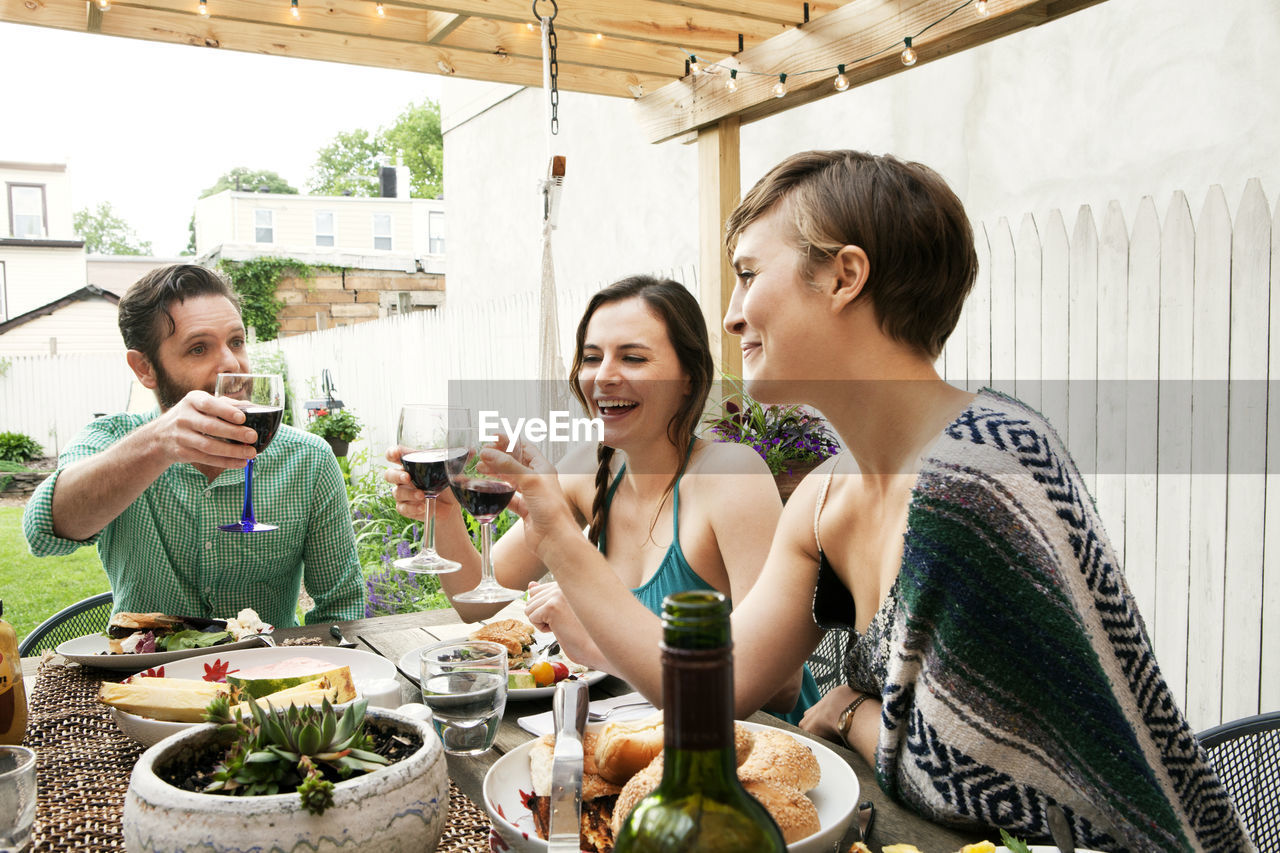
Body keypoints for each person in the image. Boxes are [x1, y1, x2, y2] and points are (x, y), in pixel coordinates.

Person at [479, 153, 1251, 851]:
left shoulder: (986, 466)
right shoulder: (824, 496)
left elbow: (960, 782)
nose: (731, 312)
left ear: (846, 276)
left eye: (749, 274)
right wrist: (553, 526)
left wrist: (852, 712)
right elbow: (716, 688)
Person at [385, 275, 816, 721]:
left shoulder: (730, 476)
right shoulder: (589, 468)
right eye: (592, 358)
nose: (604, 376)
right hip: (642, 724)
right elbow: (477, 598)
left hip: (750, 743)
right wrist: (447, 516)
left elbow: (779, 688)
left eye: (632, 357)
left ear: (688, 378)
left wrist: (594, 640)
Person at [23, 264, 365, 629]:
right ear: (144, 368)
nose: (232, 364)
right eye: (199, 348)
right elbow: (43, 533)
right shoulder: (110, 441)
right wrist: (158, 445)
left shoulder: (308, 460)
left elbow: (341, 610)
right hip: (144, 675)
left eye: (236, 342)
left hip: (266, 675)